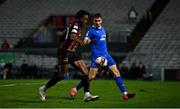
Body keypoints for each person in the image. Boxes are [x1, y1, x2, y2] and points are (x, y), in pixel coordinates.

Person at [70, 13, 135, 100]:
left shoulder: (103, 29)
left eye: (99, 20)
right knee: (91, 77)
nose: (97, 22)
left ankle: (125, 94)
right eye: (96, 21)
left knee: (116, 72)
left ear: (102, 21)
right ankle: (75, 89)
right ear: (93, 21)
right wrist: (86, 41)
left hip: (106, 55)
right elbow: (86, 40)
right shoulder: (91, 30)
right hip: (97, 57)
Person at [39, 10, 99, 102]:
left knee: (86, 72)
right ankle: (43, 88)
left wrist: (62, 34)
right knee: (62, 75)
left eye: (87, 19)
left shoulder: (77, 24)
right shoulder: (76, 25)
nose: (86, 21)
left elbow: (67, 32)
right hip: (65, 51)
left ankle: (87, 95)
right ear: (79, 19)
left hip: (73, 52)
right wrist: (81, 41)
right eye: (84, 19)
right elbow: (72, 36)